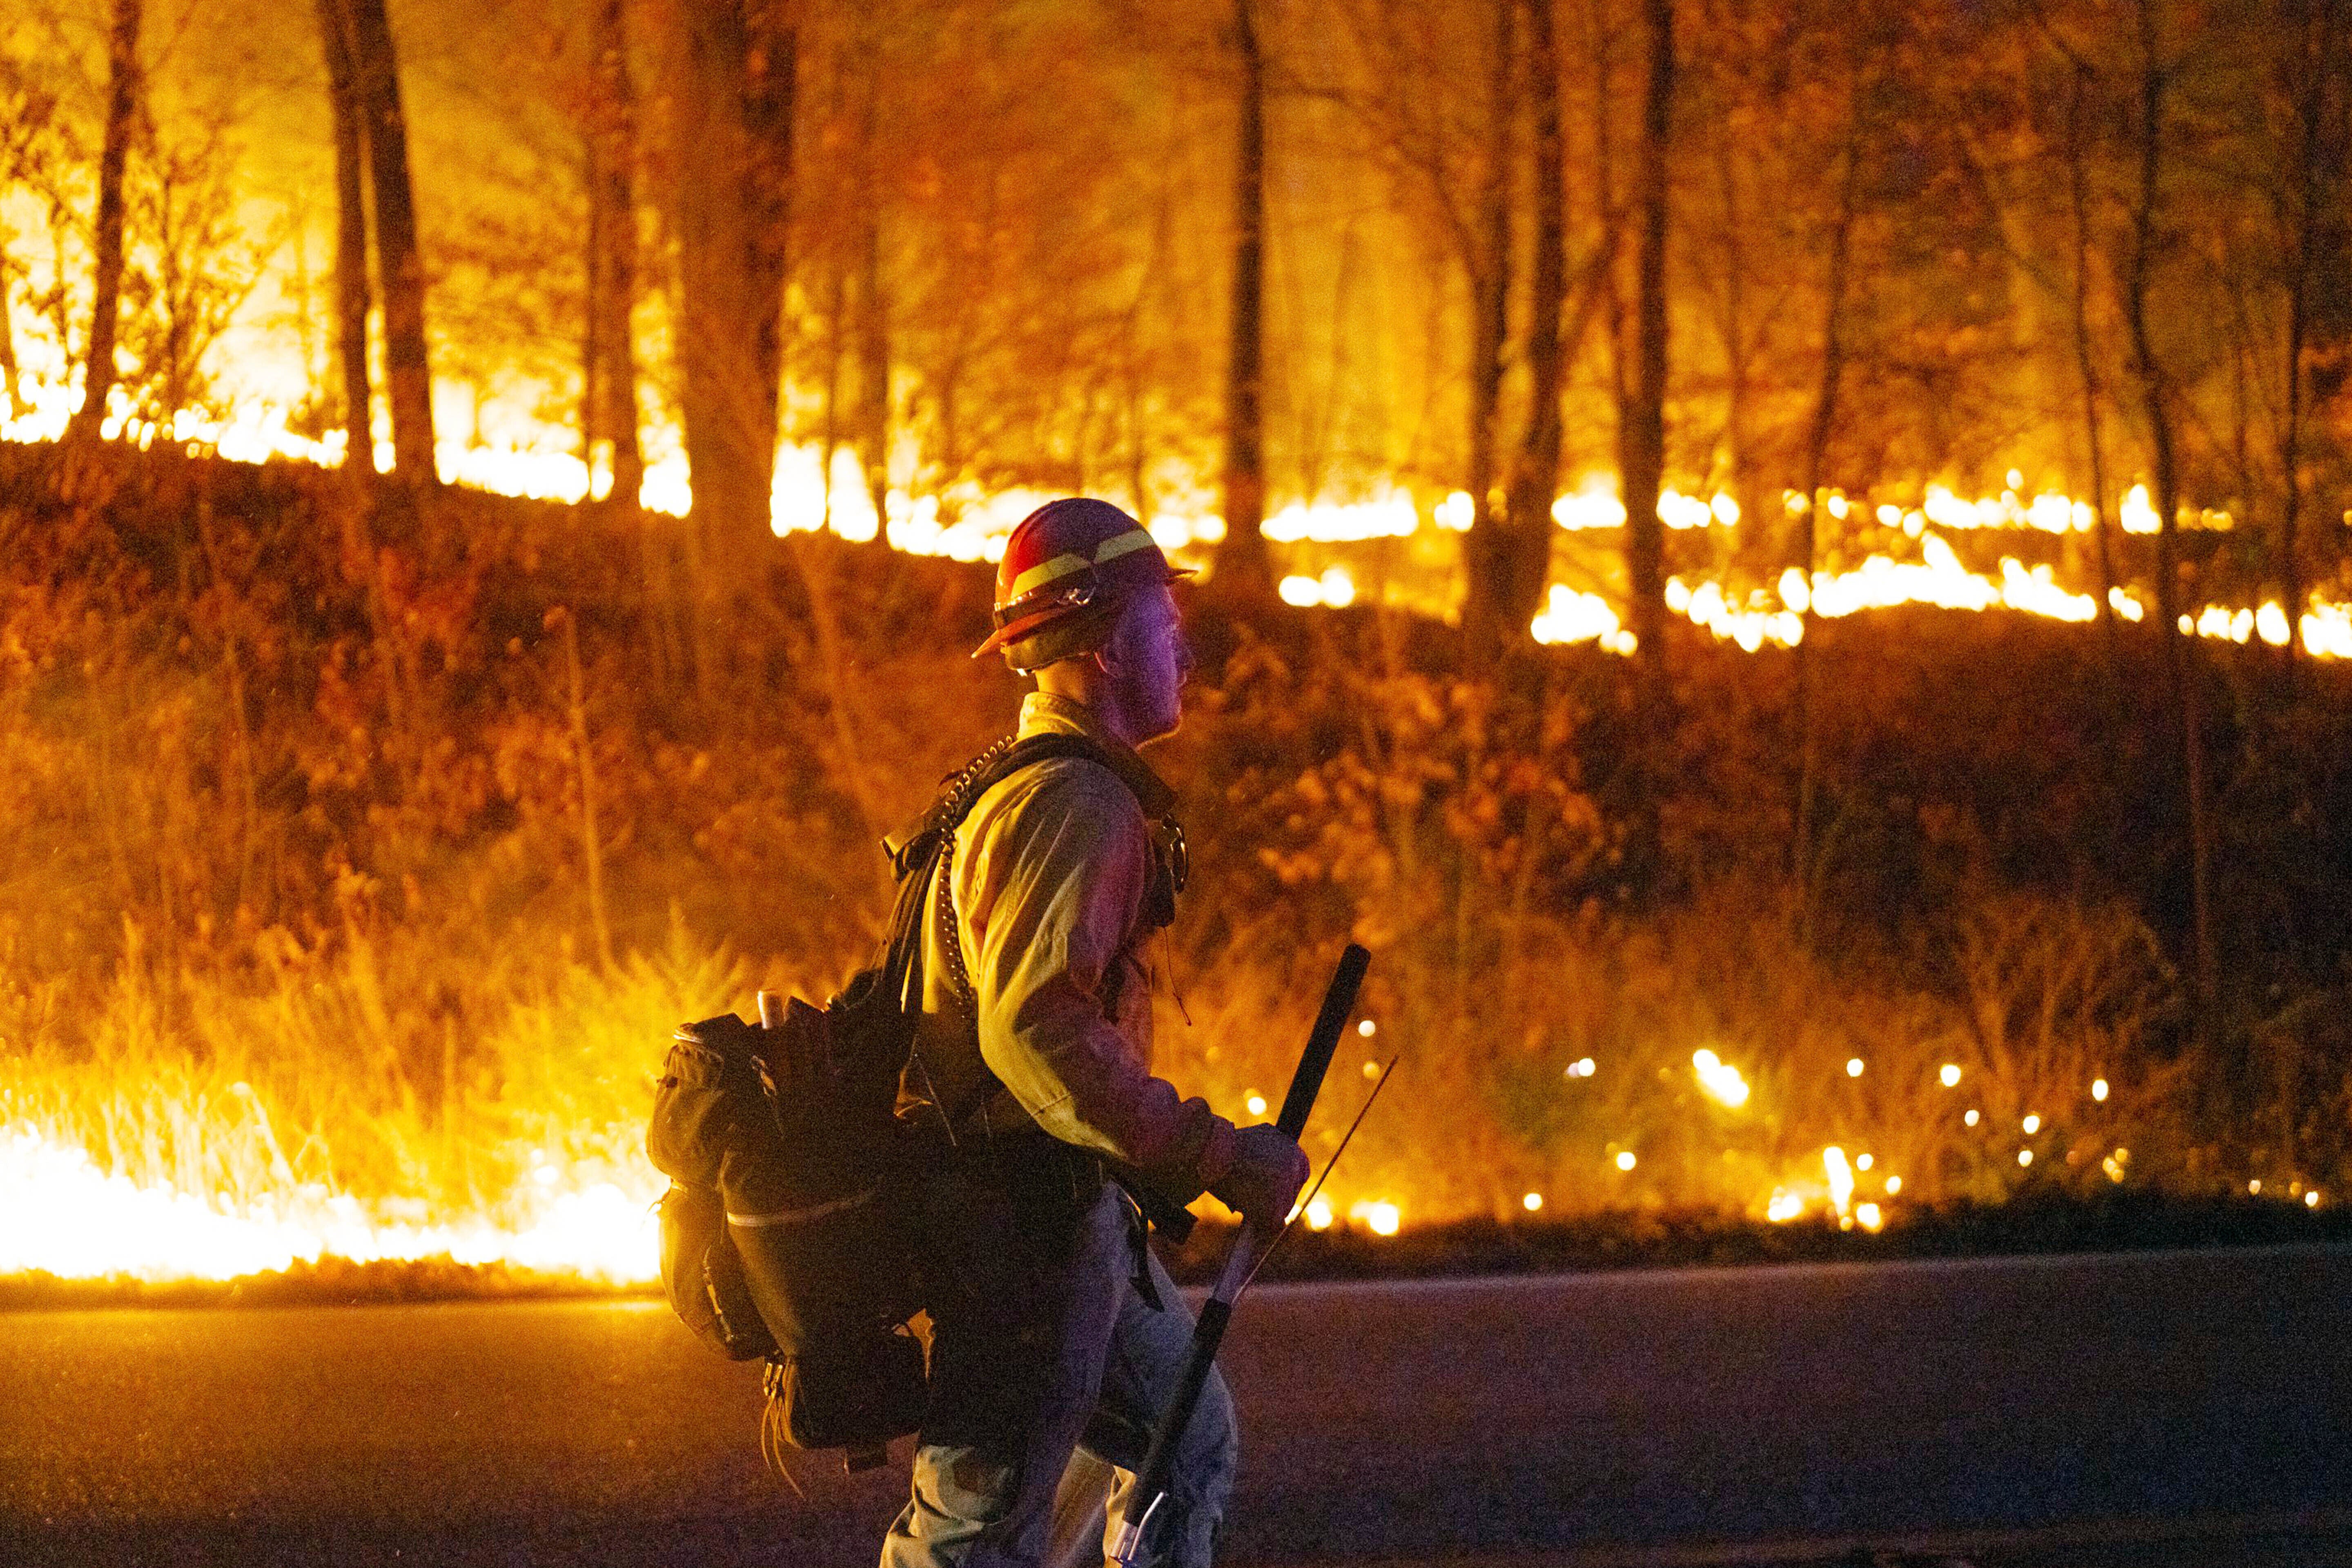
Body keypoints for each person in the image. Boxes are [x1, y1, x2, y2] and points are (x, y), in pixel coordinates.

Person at [882, 497, 1310, 1568]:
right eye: (1167, 622)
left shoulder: (1026, 788)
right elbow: (1037, 1031)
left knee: (1184, 1443)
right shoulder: (1077, 805)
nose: (1184, 649)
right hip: (1024, 1231)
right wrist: (1215, 1155)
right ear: (1114, 642)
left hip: (1070, 1217)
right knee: (976, 1531)